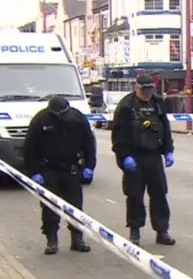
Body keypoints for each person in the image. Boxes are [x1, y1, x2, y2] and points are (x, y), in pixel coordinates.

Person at [24, 96, 96, 255]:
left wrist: (89, 166)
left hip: (71, 167)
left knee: (75, 205)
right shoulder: (41, 120)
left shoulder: (77, 118)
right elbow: (29, 147)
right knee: (50, 205)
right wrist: (34, 171)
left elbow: (89, 143)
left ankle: (77, 238)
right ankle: (51, 239)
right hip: (49, 168)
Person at [111, 75, 176, 246]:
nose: (147, 95)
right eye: (144, 92)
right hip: (134, 156)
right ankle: (135, 230)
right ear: (136, 88)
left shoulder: (157, 103)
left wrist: (168, 151)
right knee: (134, 195)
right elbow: (118, 136)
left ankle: (162, 230)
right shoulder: (126, 107)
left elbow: (165, 128)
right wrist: (124, 157)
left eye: (150, 91)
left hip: (153, 155)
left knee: (159, 194)